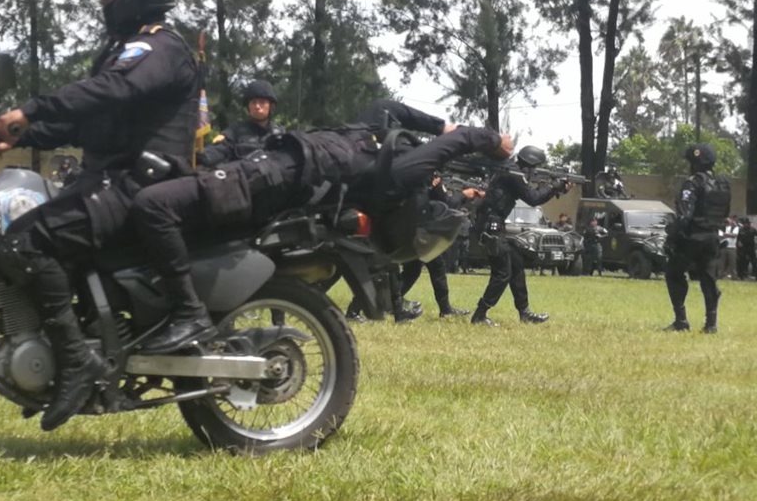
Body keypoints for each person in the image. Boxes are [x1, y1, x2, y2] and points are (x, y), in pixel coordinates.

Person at [0, 0, 200, 431]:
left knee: (27, 241)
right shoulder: (126, 49)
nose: (102, 2)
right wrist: (21, 133)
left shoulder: (159, 46)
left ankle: (76, 362)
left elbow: (113, 89)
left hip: (138, 183)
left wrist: (32, 108)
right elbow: (90, 124)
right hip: (112, 178)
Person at [132, 99, 513, 352]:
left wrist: (477, 136)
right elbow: (419, 122)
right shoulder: (385, 163)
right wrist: (472, 133)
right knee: (158, 198)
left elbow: (438, 132)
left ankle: (188, 318)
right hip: (267, 171)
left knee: (156, 204)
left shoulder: (383, 162)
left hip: (267, 176)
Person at [470, 146, 573, 326]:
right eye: (535, 166)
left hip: (493, 223)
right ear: (531, 163)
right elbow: (533, 198)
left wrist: (555, 189)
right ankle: (480, 314)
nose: (534, 170)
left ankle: (524, 312)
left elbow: (533, 193)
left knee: (516, 263)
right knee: (502, 272)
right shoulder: (514, 174)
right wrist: (554, 186)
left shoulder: (512, 171)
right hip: (490, 225)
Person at [663, 143, 730, 333]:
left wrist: (672, 235)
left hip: (692, 238)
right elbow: (724, 213)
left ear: (695, 164)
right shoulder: (722, 184)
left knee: (674, 273)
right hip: (712, 238)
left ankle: (681, 321)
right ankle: (711, 324)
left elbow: (685, 215)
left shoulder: (692, 183)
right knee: (708, 279)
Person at [399, 174, 483, 317]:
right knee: (434, 269)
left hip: (414, 229)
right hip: (421, 232)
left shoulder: (417, 175)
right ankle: (445, 309)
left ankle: (389, 300)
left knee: (413, 270)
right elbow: (448, 204)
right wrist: (463, 195)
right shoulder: (428, 178)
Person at [201, 79, 283, 166]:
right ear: (248, 106)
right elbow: (219, 149)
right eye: (253, 102)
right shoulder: (235, 131)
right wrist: (202, 156)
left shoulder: (280, 135)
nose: (257, 106)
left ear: (272, 106)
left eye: (262, 102)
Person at [719, 214, 739, 280]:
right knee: (721, 262)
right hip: (723, 246)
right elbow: (720, 235)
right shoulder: (724, 227)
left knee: (732, 263)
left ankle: (734, 276)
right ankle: (720, 275)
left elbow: (734, 235)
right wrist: (728, 235)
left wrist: (725, 235)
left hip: (732, 247)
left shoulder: (736, 227)